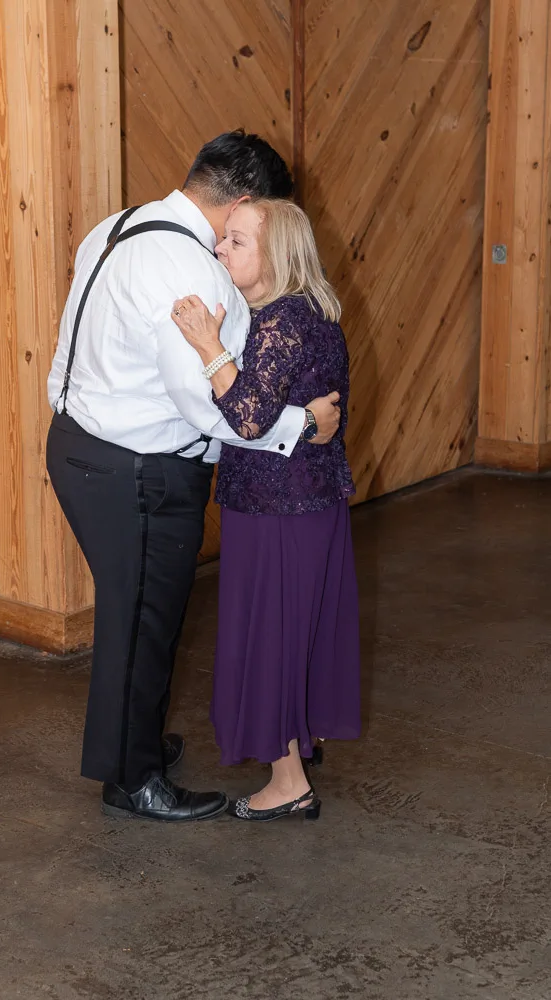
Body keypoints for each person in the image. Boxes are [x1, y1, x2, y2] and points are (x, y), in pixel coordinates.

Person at [45, 131, 342, 823]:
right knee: (143, 621)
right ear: (245, 201)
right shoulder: (191, 269)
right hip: (140, 468)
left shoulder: (116, 226)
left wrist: (72, 412)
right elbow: (207, 405)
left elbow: (66, 346)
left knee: (134, 612)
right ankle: (133, 778)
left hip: (79, 443)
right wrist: (300, 426)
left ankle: (135, 742)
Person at [171, 197, 361, 822]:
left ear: (276, 253)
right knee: (296, 630)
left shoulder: (283, 319)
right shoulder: (308, 311)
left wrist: (207, 345)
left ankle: (288, 783)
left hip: (276, 507)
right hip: (305, 501)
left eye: (237, 241)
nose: (220, 249)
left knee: (271, 637)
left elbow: (248, 417)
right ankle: (300, 742)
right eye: (223, 238)